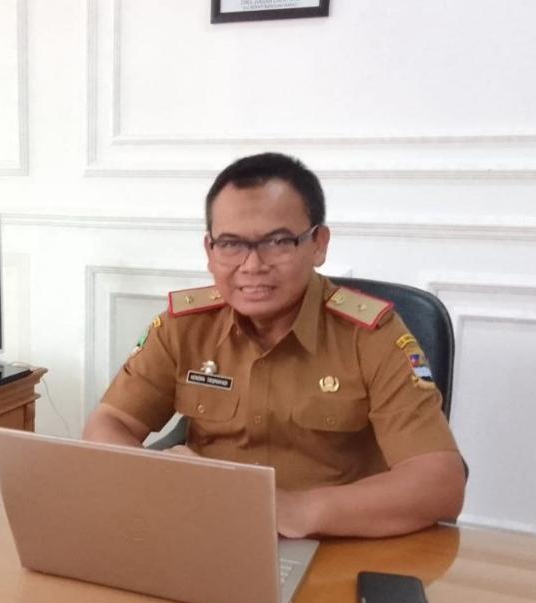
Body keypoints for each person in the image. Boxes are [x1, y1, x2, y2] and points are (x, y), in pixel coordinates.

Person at [83, 153, 465, 539]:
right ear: (209, 251)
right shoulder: (183, 327)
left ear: (318, 244)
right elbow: (108, 425)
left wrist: (297, 509)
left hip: (335, 545)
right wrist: (159, 479)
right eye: (230, 244)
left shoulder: (371, 337)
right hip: (205, 534)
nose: (252, 265)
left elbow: (440, 483)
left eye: (278, 242)